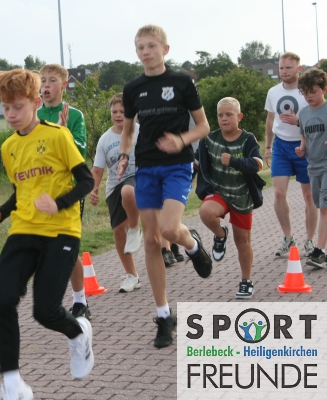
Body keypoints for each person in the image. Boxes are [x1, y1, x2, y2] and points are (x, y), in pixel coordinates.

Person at [0, 69, 95, 399]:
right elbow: (20, 192)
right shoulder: (9, 147)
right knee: (0, 296)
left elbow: (86, 181)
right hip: (24, 229)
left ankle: (78, 333)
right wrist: (1, 213)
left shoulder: (58, 136)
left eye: (18, 107)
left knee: (45, 311)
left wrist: (59, 203)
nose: (11, 114)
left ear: (36, 103)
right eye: (5, 107)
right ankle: (12, 383)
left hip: (62, 231)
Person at [117, 25, 213, 349]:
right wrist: (124, 155)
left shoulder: (183, 82)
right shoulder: (133, 88)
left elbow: (203, 126)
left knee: (170, 230)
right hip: (145, 167)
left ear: (165, 49)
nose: (145, 52)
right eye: (140, 47)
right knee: (151, 241)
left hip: (177, 165)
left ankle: (194, 246)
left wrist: (181, 140)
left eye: (151, 46)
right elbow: (128, 131)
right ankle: (163, 316)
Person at [37, 63, 96, 320]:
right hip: (41, 193)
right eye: (43, 80)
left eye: (52, 80)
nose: (46, 85)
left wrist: (63, 130)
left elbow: (79, 151)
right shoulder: (33, 115)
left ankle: (80, 301)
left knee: (68, 247)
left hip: (69, 192)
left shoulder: (74, 115)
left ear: (63, 85)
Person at [195, 97, 264, 299]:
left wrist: (234, 161)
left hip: (242, 196)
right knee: (205, 212)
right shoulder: (209, 139)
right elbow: (196, 163)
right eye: (220, 115)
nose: (224, 119)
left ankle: (246, 281)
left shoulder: (248, 139)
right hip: (219, 192)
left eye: (229, 114)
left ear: (239, 117)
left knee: (242, 242)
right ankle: (220, 234)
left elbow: (258, 164)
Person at [265, 52, 317, 258]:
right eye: (281, 68)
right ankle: (288, 237)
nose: (284, 72)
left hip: (305, 146)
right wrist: (268, 146)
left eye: (288, 67)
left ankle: (310, 241)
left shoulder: (307, 92)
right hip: (281, 147)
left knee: (309, 196)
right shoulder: (273, 92)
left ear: (298, 69)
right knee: (278, 194)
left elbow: (317, 118)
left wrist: (298, 122)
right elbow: (270, 119)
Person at [90, 93, 141, 293]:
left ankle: (135, 228)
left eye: (122, 111)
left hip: (140, 178)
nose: (118, 115)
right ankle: (132, 275)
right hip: (114, 185)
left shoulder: (141, 131)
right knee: (119, 232)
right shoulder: (105, 139)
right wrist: (94, 189)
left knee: (129, 191)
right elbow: (97, 170)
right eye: (114, 112)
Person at [294, 68, 327, 268]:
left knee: (324, 208)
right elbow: (304, 136)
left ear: (324, 89)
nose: (309, 96)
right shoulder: (304, 113)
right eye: (305, 93)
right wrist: (301, 148)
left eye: (313, 91)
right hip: (313, 166)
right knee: (319, 205)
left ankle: (319, 251)